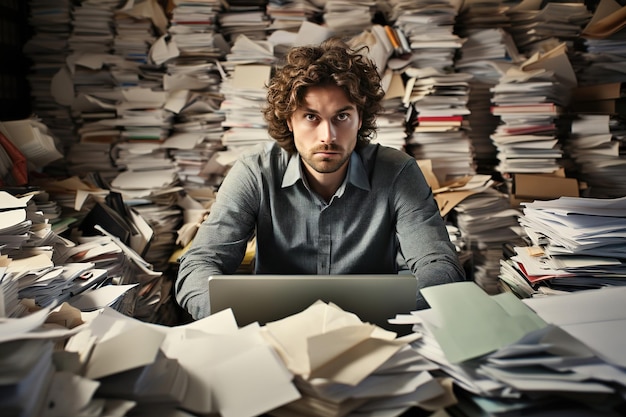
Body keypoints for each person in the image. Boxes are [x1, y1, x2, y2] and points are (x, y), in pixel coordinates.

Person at [175, 37, 466, 320]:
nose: (328, 136)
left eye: (341, 117)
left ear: (360, 119)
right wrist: (234, 321)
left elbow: (438, 265)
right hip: (272, 340)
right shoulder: (255, 172)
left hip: (375, 338)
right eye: (311, 117)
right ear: (289, 120)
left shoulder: (397, 172)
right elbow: (199, 264)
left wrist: (400, 315)